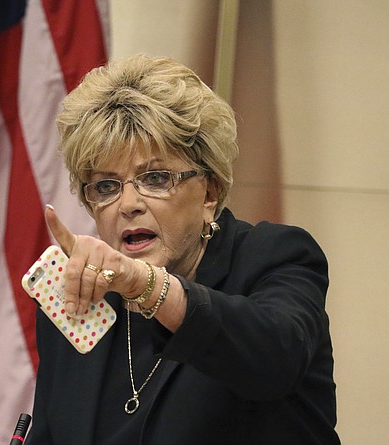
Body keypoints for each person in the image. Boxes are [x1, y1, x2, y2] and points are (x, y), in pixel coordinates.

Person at [24, 54, 340, 444]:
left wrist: (147, 286)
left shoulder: (274, 257)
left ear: (210, 191)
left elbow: (275, 360)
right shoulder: (82, 299)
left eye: (155, 178)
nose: (128, 204)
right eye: (106, 186)